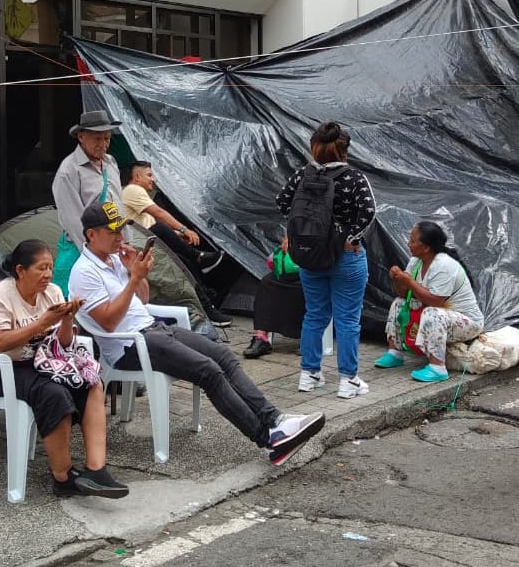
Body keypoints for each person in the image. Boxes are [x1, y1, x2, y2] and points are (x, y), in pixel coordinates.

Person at [69, 201, 325, 466]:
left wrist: (137, 273)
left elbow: (142, 300)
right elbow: (109, 323)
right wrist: (133, 279)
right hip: (129, 346)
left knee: (223, 357)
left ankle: (274, 420)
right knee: (208, 371)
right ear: (91, 234)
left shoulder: (114, 259)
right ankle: (268, 439)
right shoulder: (84, 272)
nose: (120, 237)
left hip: (153, 328)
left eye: (120, 229)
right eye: (113, 232)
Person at [0, 239, 128, 499]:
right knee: (53, 393)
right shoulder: (0, 295)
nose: (48, 274)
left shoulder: (53, 292)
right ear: (20, 270)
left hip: (44, 361)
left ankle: (96, 470)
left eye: (50, 267)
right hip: (3, 369)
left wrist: (68, 318)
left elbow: (64, 344)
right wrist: (41, 324)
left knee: (92, 381)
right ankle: (63, 476)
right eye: (41, 268)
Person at [276, 122, 377, 399]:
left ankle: (309, 375)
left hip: (309, 255)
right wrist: (352, 238)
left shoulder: (301, 176)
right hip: (345, 256)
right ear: (344, 150)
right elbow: (368, 212)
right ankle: (348, 380)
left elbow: (282, 202)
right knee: (347, 319)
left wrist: (301, 233)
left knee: (315, 315)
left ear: (315, 147)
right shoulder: (354, 178)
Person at [120, 160, 232, 327]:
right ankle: (199, 258)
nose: (153, 179)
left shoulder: (136, 197)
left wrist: (177, 234)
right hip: (146, 251)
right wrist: (183, 229)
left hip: (155, 247)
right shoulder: (132, 189)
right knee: (182, 260)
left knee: (185, 265)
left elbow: (148, 224)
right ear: (137, 177)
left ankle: (206, 307)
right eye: (149, 175)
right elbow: (157, 214)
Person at [374, 221, 484, 382]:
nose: (408, 244)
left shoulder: (444, 265)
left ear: (426, 248)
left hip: (467, 321)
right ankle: (394, 353)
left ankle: (437, 367)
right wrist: (397, 279)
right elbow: (404, 294)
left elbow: (435, 302)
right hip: (439, 313)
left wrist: (409, 281)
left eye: (412, 241)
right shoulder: (416, 261)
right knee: (398, 303)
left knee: (432, 313)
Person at [52, 110, 125, 295]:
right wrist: (96, 256)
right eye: (97, 138)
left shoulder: (111, 162)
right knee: (76, 306)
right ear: (81, 137)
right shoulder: (68, 171)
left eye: (107, 138)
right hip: (83, 251)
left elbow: (119, 207)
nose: (103, 144)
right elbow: (74, 221)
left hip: (113, 248)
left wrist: (123, 243)